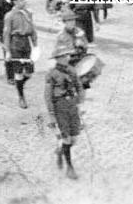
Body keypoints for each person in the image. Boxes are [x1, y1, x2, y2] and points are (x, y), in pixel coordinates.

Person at [45, 43, 83, 180]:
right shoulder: (52, 74)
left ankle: (61, 151)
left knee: (73, 139)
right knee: (66, 138)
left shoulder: (72, 70)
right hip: (60, 107)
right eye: (63, 56)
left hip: (72, 105)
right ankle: (70, 168)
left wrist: (80, 99)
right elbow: (48, 96)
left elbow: (79, 85)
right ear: (57, 58)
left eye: (67, 55)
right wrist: (51, 115)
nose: (67, 57)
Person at [2, 0, 38, 108]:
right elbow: (6, 34)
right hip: (15, 44)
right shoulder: (9, 16)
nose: (24, 2)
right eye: (22, 0)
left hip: (26, 43)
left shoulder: (28, 13)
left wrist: (35, 44)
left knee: (29, 73)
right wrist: (7, 51)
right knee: (18, 73)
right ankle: (21, 96)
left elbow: (32, 29)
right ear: (15, 2)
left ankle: (20, 85)